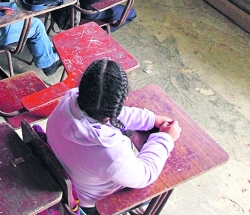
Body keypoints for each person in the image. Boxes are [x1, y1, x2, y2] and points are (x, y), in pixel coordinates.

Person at [46, 59, 181, 214]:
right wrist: (165, 138)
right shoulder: (111, 152)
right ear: (122, 101)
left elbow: (108, 111)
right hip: (89, 204)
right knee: (157, 189)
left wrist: (150, 119)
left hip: (67, 175)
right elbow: (145, 174)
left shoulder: (69, 100)